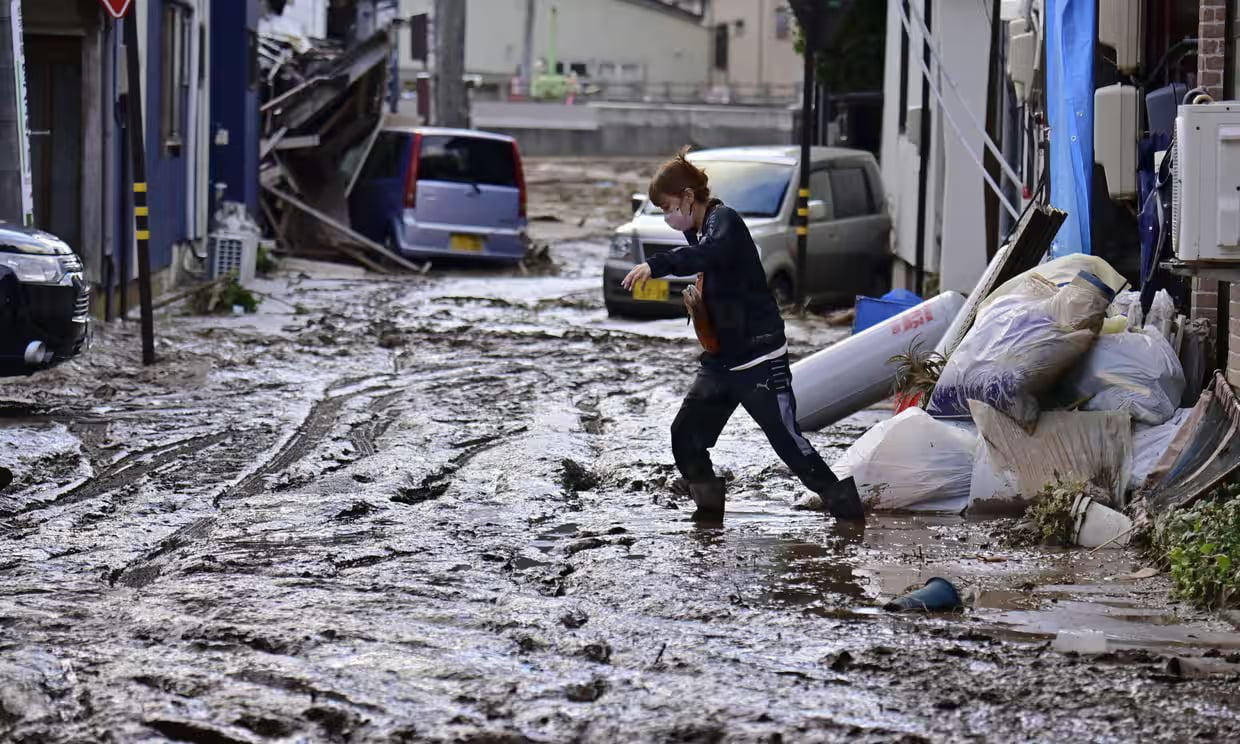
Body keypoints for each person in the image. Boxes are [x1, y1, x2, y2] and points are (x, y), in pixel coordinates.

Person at [621, 148, 863, 522]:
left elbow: (709, 256)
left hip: (760, 358)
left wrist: (656, 266)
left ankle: (846, 510)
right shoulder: (696, 230)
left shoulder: (725, 222)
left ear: (689, 197)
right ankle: (708, 513)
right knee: (685, 435)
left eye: (669, 207)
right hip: (722, 360)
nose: (668, 216)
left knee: (788, 442)